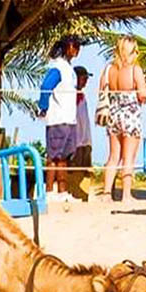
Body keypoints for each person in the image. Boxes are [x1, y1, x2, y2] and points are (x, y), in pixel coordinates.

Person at [100, 36, 146, 201]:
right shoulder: (135, 69)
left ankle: (107, 193)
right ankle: (126, 194)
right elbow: (142, 94)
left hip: (113, 113)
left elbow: (102, 92)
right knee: (129, 157)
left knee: (113, 156)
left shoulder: (108, 70)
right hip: (130, 114)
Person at [37, 35, 82, 198]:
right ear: (68, 47)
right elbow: (46, 86)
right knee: (53, 156)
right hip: (57, 119)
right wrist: (43, 107)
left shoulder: (70, 69)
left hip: (69, 119)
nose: (77, 49)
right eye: (75, 46)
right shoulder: (58, 67)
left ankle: (62, 192)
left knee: (64, 157)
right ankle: (48, 192)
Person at [65, 66, 93, 199]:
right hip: (75, 139)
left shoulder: (82, 95)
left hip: (85, 139)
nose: (86, 81)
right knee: (73, 167)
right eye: (84, 78)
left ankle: (83, 195)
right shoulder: (71, 94)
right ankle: (73, 192)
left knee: (85, 169)